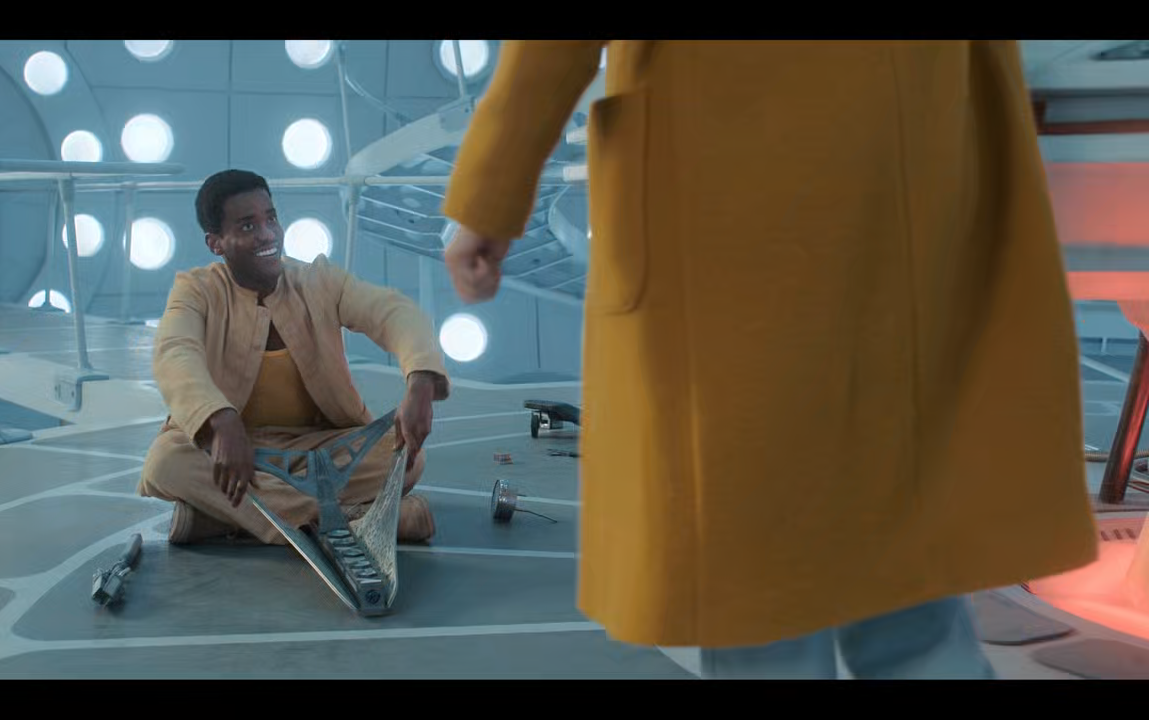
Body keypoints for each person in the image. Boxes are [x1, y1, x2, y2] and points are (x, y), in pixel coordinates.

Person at [441, 40, 1099, 678]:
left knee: (759, 593)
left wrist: (489, 192)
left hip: (725, 159)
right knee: (908, 581)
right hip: (907, 142)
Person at [138, 169, 449, 546]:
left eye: (270, 218)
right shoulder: (195, 290)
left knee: (406, 456)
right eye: (248, 226)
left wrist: (420, 381)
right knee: (166, 461)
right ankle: (354, 521)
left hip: (320, 450)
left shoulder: (318, 280)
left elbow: (393, 312)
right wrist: (220, 420)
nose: (267, 234)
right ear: (216, 243)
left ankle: (225, 517)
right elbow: (175, 351)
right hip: (234, 449)